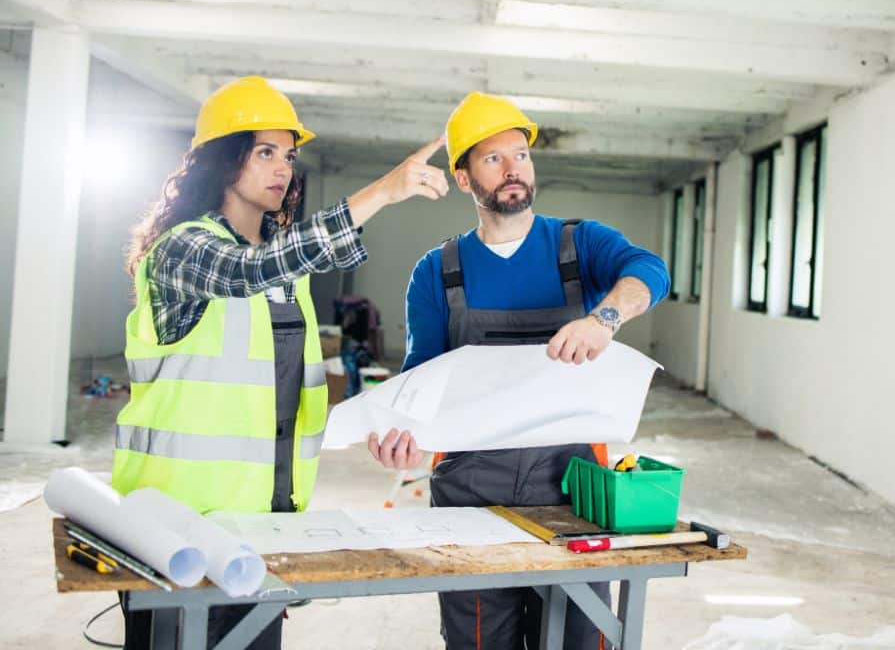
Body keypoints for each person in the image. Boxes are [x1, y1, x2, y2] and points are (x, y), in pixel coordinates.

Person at [114, 76, 448, 650]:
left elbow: (279, 393)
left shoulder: (283, 273)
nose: (282, 169)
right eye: (264, 152)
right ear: (221, 161)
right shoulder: (181, 249)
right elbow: (247, 271)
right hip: (175, 529)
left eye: (288, 156)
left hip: (265, 525)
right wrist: (384, 192)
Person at [368, 92, 670, 650]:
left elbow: (649, 271)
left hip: (572, 491)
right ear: (463, 179)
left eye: (521, 155)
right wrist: (404, 441)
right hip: (469, 496)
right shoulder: (438, 271)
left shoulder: (579, 246)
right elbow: (420, 385)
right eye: (493, 159)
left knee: (581, 638)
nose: (513, 170)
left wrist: (604, 317)